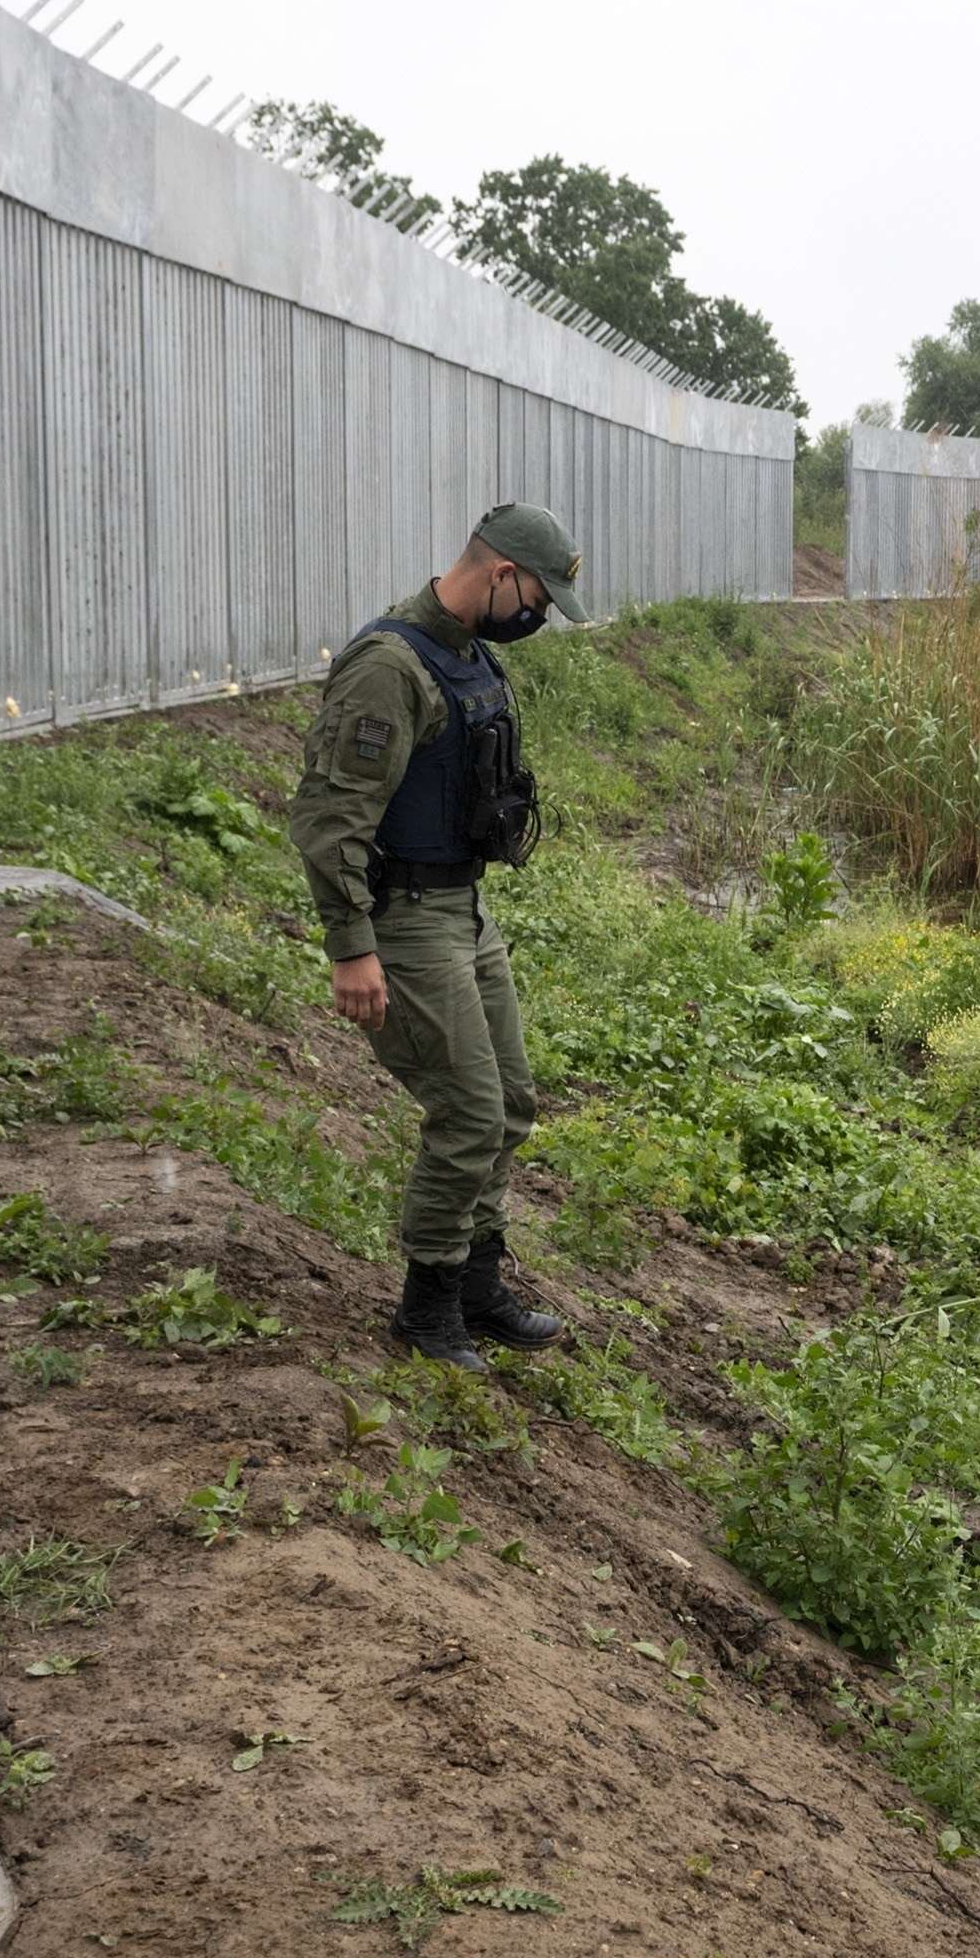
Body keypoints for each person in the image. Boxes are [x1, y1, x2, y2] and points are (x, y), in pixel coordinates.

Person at [282, 503, 585, 1372]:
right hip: (408, 921)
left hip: (464, 910)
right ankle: (428, 1307)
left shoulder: (469, 655)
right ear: (498, 576)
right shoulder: (389, 667)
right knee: (467, 1114)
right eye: (537, 597)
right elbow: (328, 815)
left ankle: (479, 1285)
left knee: (512, 1103)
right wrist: (351, 945)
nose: (538, 616)